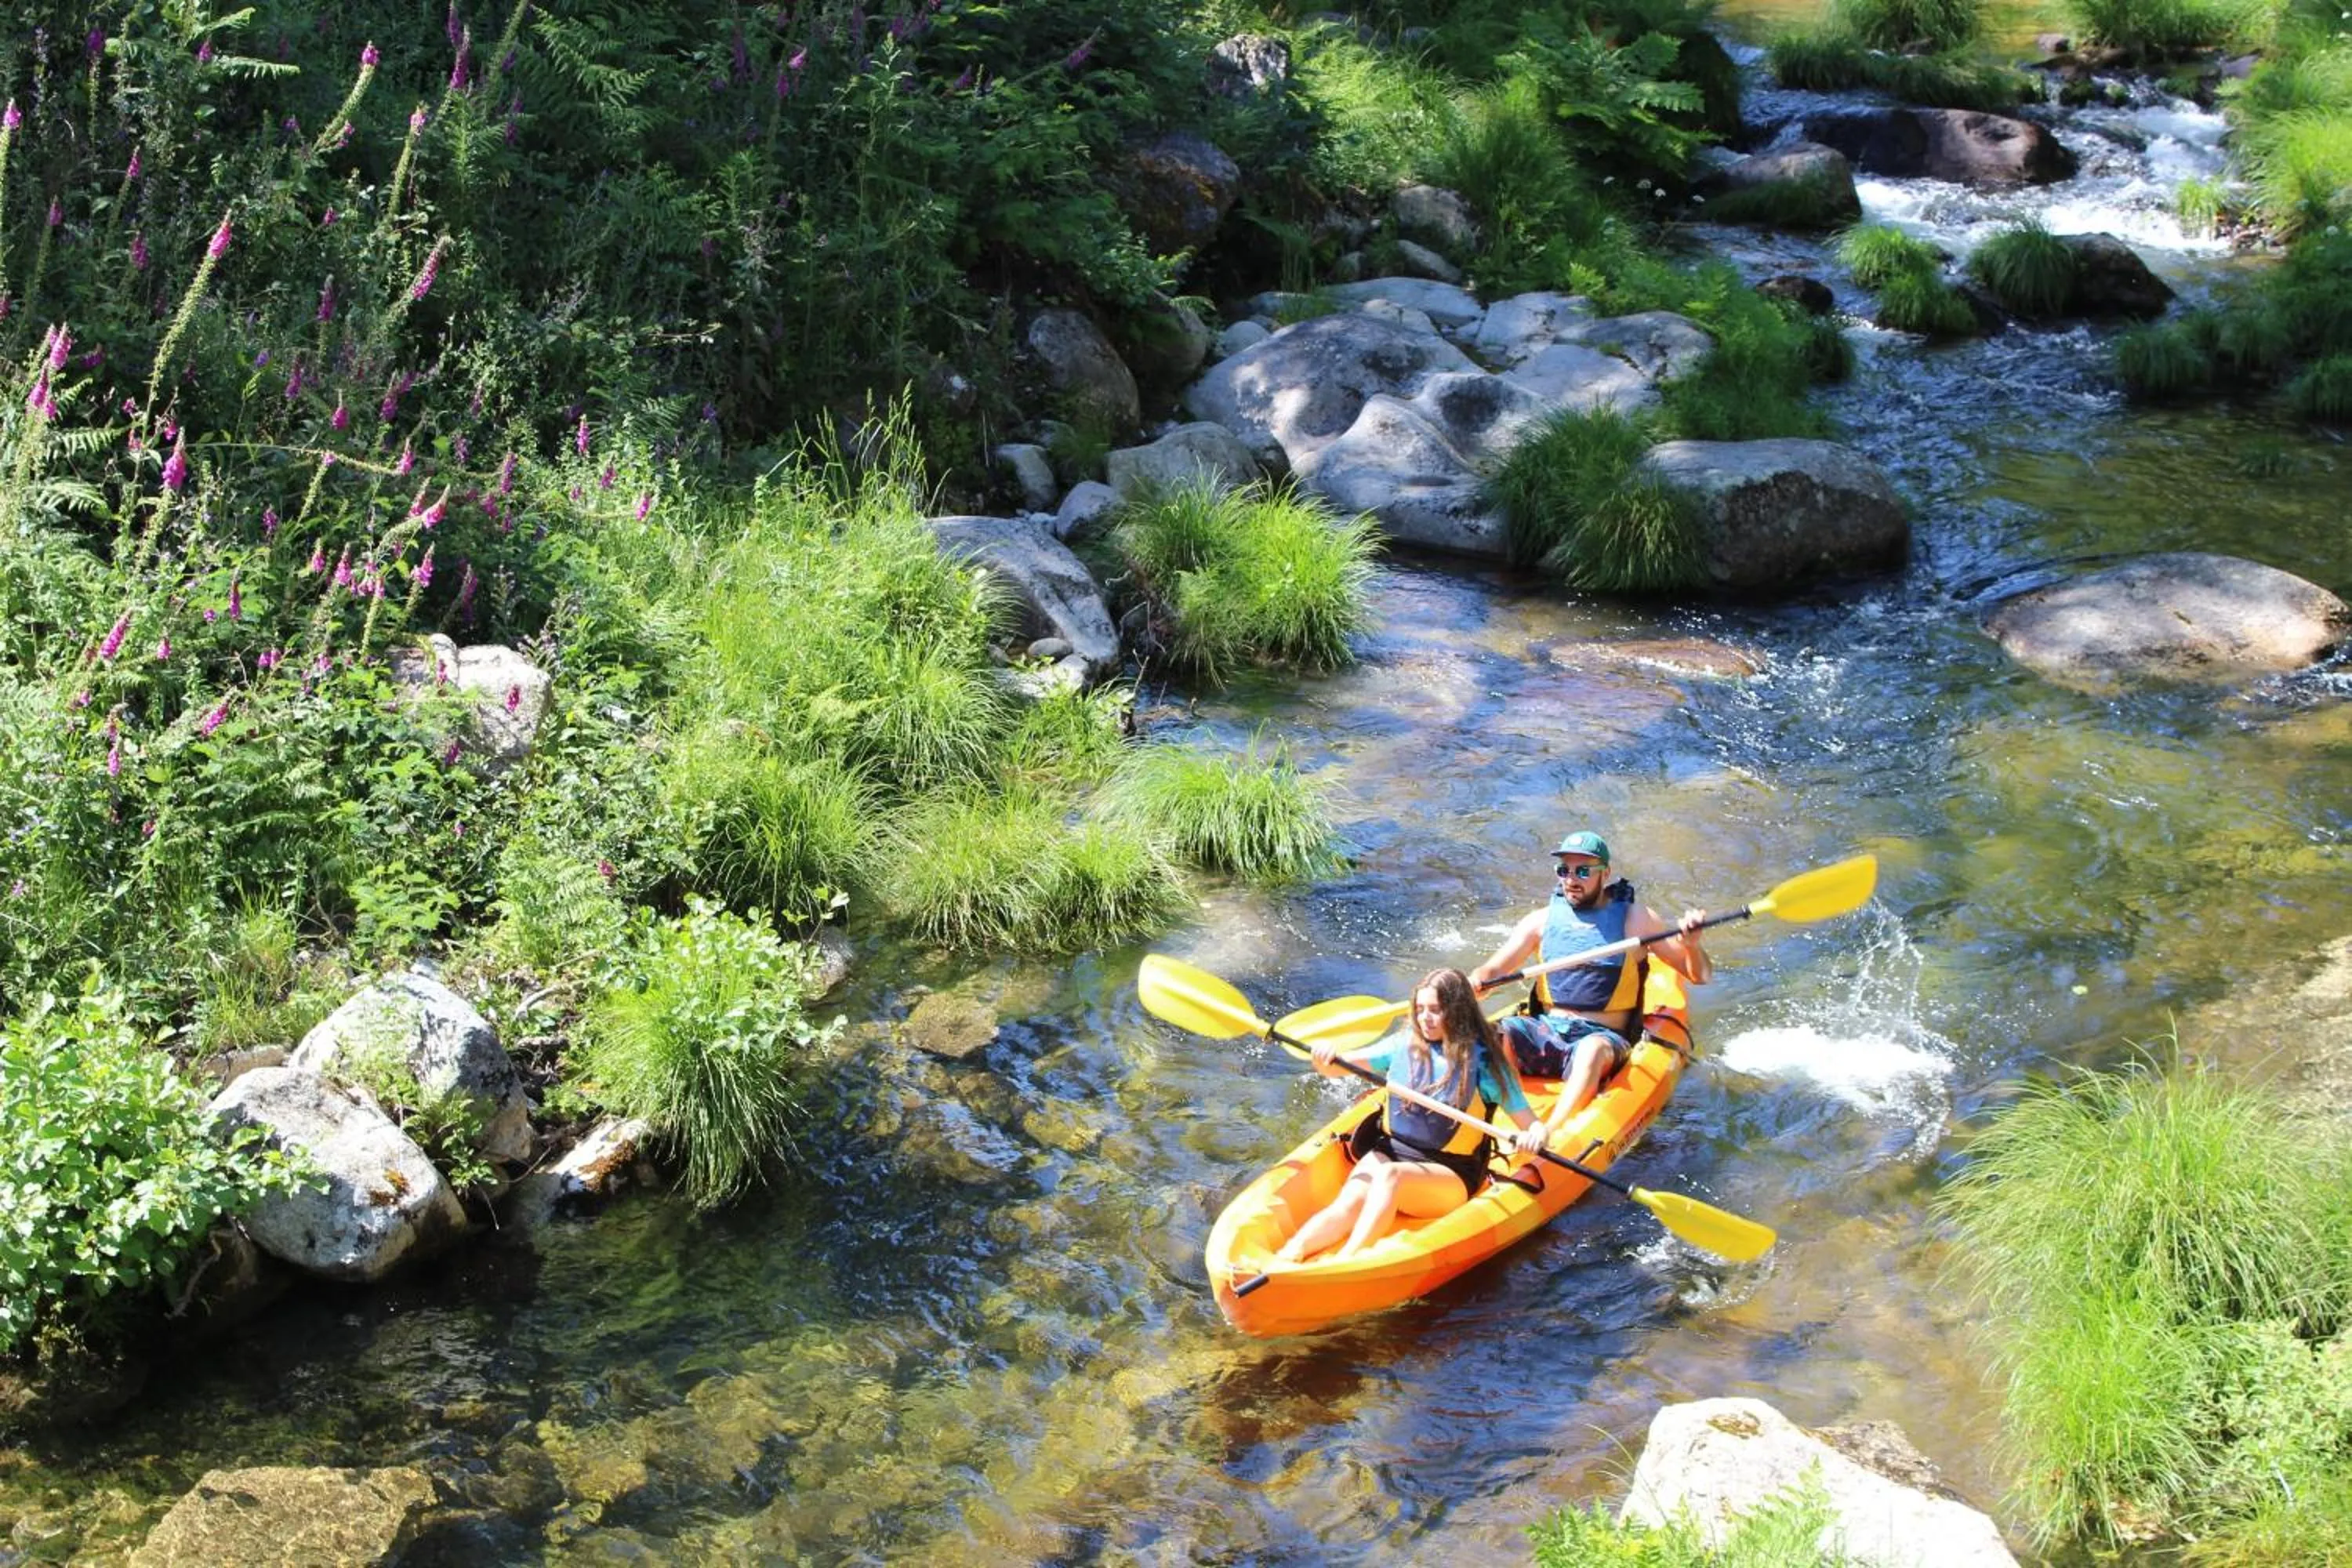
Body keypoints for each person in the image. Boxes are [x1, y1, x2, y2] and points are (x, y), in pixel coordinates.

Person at [1274, 969, 1548, 1265]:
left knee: (1390, 1176)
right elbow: (1339, 1067)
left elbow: (1533, 1126)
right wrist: (1325, 1057)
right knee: (1348, 1204)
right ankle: (1290, 1254)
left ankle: (1349, 1260)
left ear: (1457, 1012)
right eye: (1419, 1010)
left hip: (1450, 1173)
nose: (1424, 1018)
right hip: (1393, 1151)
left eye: (1435, 1010)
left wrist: (1533, 1137)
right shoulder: (1403, 1045)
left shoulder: (1485, 1065)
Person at [1469, 830, 1711, 1138]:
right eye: (1564, 871)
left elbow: (1699, 975)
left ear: (1605, 874)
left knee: (1591, 1050)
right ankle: (1504, 1118)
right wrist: (1479, 979)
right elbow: (1495, 968)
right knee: (1492, 1035)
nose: (1571, 879)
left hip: (1603, 1038)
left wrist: (1690, 945)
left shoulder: (1637, 920)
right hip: (1546, 1031)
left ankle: (1550, 1133)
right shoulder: (1540, 921)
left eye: (1583, 871)